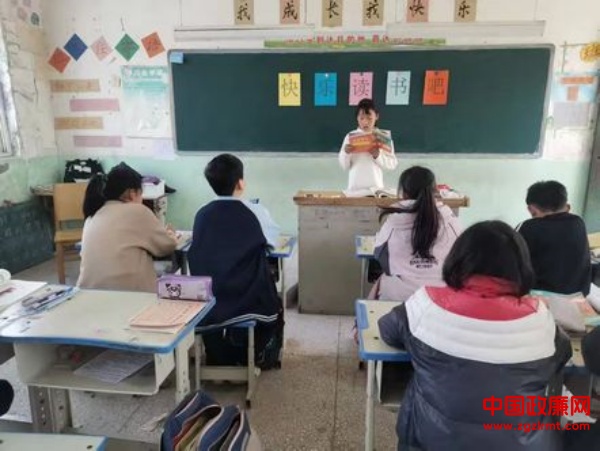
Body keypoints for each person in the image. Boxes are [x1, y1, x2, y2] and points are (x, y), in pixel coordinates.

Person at [378, 221, 571, 451]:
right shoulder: (539, 319)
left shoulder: (427, 305)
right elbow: (563, 353)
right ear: (521, 266)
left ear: (456, 259)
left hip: (434, 441)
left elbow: (387, 330)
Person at [188, 154, 282, 369]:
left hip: (209, 297)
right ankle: (254, 354)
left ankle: (217, 355)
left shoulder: (202, 213)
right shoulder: (255, 211)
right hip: (248, 297)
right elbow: (272, 245)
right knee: (272, 299)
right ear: (240, 183)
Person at [77, 163, 177, 292]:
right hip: (130, 296)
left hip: (87, 293)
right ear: (132, 193)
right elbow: (166, 246)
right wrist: (171, 236)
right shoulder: (137, 211)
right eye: (141, 194)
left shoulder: (93, 214)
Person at [373, 166, 461, 301]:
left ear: (404, 193)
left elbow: (380, 256)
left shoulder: (394, 222)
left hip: (400, 297)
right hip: (441, 297)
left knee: (382, 282)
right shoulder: (451, 221)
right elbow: (461, 259)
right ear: (435, 190)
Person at [518, 181, 591, 295]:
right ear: (566, 206)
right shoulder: (578, 222)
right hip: (578, 296)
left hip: (542, 297)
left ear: (532, 209)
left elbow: (512, 264)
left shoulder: (529, 227)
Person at [338, 98, 398, 192]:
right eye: (362, 118)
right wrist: (346, 153)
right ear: (357, 118)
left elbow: (392, 164)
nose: (365, 122)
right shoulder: (350, 136)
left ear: (376, 116)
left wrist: (377, 156)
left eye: (369, 118)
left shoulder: (382, 137)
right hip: (355, 188)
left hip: (376, 188)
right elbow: (344, 166)